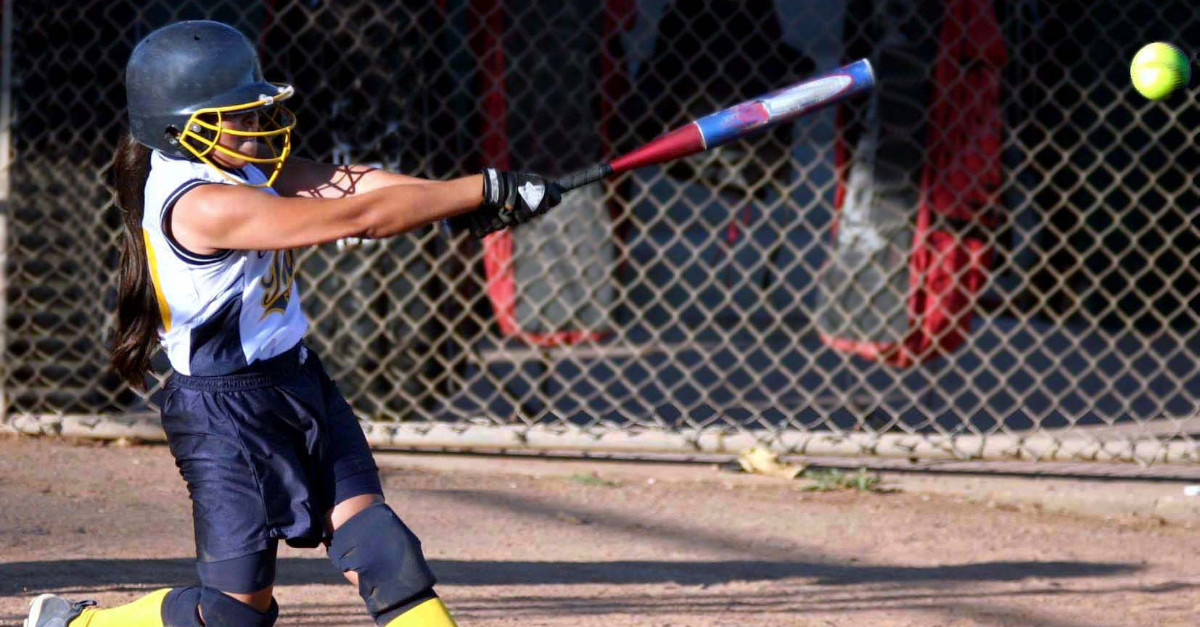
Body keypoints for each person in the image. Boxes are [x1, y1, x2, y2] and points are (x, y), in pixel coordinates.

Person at [24, 19, 561, 627]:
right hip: (225, 414)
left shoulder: (242, 167)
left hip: (298, 381)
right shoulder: (202, 204)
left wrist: (472, 197)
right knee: (235, 613)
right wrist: (475, 190)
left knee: (383, 551)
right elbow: (359, 216)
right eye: (236, 117)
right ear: (179, 130)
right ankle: (79, 624)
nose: (255, 129)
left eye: (255, 112)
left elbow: (345, 183)